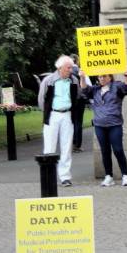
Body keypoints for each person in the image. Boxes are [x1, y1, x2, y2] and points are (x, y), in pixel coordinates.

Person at [80, 71, 127, 187]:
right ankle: (108, 176)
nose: (101, 79)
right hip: (100, 125)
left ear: (110, 77)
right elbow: (84, 90)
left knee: (118, 150)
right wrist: (82, 78)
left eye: (104, 76)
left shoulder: (117, 86)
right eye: (99, 76)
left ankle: (125, 175)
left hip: (114, 124)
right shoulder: (95, 90)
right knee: (105, 151)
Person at [37, 55, 83, 187]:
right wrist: (46, 113)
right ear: (60, 68)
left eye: (71, 67)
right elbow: (41, 99)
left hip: (67, 115)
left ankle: (65, 177)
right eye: (68, 67)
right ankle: (49, 176)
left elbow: (78, 95)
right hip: (53, 115)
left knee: (66, 146)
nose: (71, 70)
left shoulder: (73, 80)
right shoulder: (49, 80)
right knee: (49, 146)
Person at [70, 54, 87, 152]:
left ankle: (71, 143)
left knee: (71, 121)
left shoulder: (66, 72)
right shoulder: (80, 71)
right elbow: (86, 86)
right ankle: (77, 145)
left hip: (70, 99)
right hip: (80, 99)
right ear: (77, 61)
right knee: (78, 122)